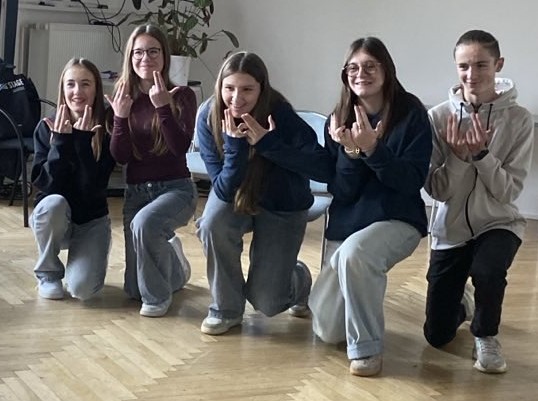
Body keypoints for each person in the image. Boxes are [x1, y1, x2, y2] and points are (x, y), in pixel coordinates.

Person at [308, 37, 433, 377]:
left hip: (397, 220)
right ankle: (319, 286)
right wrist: (351, 152)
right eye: (353, 67)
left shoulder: (412, 114)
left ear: (386, 70)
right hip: (349, 223)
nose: (360, 73)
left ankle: (367, 349)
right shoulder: (338, 119)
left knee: (355, 256)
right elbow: (343, 191)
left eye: (369, 66)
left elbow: (410, 181)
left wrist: (374, 150)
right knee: (327, 329)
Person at [195, 51, 332, 335]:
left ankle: (297, 278)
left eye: (247, 89)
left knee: (267, 303)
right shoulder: (209, 115)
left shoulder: (281, 113)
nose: (236, 98)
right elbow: (222, 188)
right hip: (235, 195)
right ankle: (226, 309)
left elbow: (323, 169)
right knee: (211, 224)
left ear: (262, 88)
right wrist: (235, 147)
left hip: (283, 204)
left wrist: (268, 143)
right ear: (220, 86)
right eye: (229, 88)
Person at [423, 30, 534, 374]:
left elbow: (508, 192)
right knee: (436, 336)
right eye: (464, 66)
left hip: (499, 222)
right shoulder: (438, 117)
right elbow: (437, 191)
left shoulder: (519, 119)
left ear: (498, 64)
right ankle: (463, 305)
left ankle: (486, 335)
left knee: (488, 271)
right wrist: (458, 158)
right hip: (450, 229)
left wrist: (482, 156)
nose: (472, 75)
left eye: (481, 65)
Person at [107, 25, 198, 317]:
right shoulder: (123, 97)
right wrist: (120, 117)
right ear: (130, 58)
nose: (145, 58)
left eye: (153, 51)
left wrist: (163, 108)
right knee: (134, 289)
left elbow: (179, 147)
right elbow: (121, 157)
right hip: (136, 193)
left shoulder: (181, 95)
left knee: (146, 225)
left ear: (164, 56)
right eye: (138, 52)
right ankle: (176, 266)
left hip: (176, 189)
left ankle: (158, 300)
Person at [31, 58, 116, 301]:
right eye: (71, 84)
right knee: (53, 203)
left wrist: (81, 141)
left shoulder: (108, 128)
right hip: (57, 217)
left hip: (91, 220)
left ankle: (93, 252)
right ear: (63, 89)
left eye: (85, 84)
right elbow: (47, 186)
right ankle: (48, 274)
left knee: (82, 291)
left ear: (96, 89)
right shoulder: (47, 127)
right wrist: (61, 142)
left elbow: (92, 189)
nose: (77, 91)